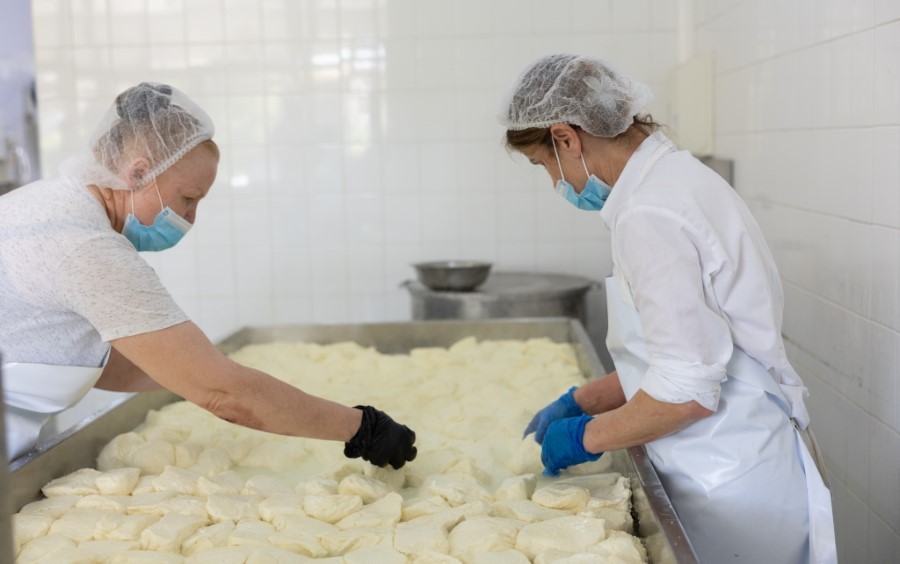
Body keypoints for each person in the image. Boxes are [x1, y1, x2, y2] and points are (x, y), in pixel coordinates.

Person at [500, 54, 836, 563]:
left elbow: (686, 393)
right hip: (736, 458)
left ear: (566, 138)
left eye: (544, 164)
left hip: (725, 482)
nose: (555, 182)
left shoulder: (650, 213)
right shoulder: (674, 181)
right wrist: (586, 398)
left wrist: (586, 436)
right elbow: (690, 350)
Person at [0, 82, 417, 470]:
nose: (190, 218)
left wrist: (223, 377)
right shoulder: (86, 248)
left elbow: (99, 360)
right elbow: (224, 396)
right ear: (138, 173)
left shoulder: (46, 205)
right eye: (188, 198)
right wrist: (363, 429)